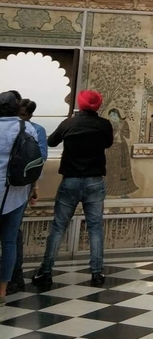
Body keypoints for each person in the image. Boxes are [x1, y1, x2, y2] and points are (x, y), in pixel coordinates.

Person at [32, 90, 113, 289]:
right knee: (95, 227)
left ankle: (46, 271)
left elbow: (51, 142)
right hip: (94, 181)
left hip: (71, 180)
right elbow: (109, 143)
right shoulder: (104, 125)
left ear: (80, 103)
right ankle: (97, 272)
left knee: (59, 227)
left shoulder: (69, 123)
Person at [0, 91, 40, 303]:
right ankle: (3, 290)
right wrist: (33, 187)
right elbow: (32, 161)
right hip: (16, 194)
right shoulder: (27, 128)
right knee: (8, 242)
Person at [7, 99, 48, 293]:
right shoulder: (33, 129)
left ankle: (15, 277)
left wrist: (34, 186)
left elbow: (36, 163)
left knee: (12, 236)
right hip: (18, 190)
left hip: (18, 190)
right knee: (11, 236)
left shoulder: (34, 130)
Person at [105, 109, 138, 197]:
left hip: (121, 148)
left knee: (122, 169)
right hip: (110, 148)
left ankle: (123, 192)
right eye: (111, 115)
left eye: (114, 115)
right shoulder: (107, 124)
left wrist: (119, 127)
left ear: (118, 115)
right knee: (110, 169)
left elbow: (127, 135)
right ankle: (108, 190)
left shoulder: (123, 123)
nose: (113, 117)